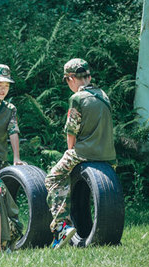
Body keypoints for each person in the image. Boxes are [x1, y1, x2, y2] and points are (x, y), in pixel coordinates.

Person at [45, 58, 116, 250]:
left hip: (84, 152)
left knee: (52, 179)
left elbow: (72, 131)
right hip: (108, 154)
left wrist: (69, 152)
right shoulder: (103, 94)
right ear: (89, 76)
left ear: (70, 78)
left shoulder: (77, 98)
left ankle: (61, 226)